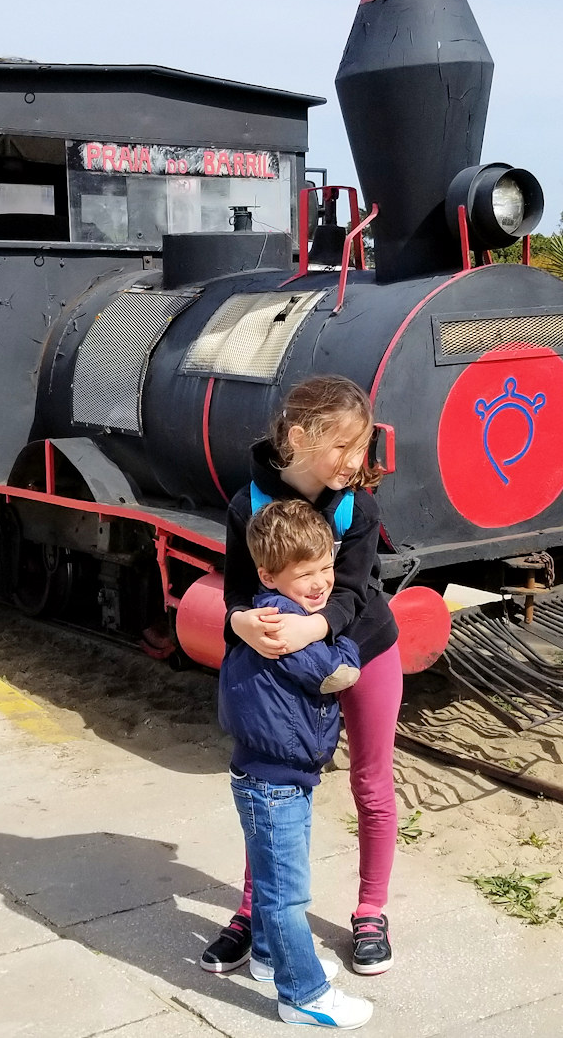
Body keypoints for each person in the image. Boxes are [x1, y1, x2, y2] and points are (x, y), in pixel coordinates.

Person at [202, 374, 401, 979]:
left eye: (361, 444)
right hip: (277, 653)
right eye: (341, 446)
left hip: (362, 646)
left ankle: (371, 909)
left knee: (370, 781)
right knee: (269, 781)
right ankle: (254, 911)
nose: (354, 460)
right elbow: (237, 585)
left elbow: (353, 591)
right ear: (297, 437)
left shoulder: (357, 506)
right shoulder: (248, 505)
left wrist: (314, 631)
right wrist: (239, 623)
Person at [220, 498, 372, 1028]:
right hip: (273, 780)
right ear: (267, 575)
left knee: (272, 880)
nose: (320, 583)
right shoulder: (284, 623)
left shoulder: (271, 610)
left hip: (274, 773)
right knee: (287, 893)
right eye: (304, 573)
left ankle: (266, 956)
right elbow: (338, 674)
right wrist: (344, 642)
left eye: (327, 568)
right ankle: (303, 994)